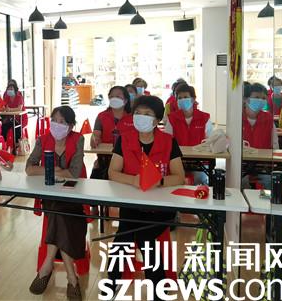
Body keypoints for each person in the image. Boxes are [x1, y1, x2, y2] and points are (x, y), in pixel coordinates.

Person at [106, 95, 185, 296]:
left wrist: (159, 181)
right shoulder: (125, 139)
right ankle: (120, 282)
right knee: (128, 234)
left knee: (135, 234)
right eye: (138, 113)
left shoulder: (168, 141)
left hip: (160, 208)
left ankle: (118, 283)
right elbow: (112, 172)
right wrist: (133, 180)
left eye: (147, 114)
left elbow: (180, 177)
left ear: (157, 120)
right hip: (132, 204)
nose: (141, 117)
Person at [26, 106, 85, 300]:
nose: (57, 125)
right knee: (59, 213)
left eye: (62, 122)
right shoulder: (43, 139)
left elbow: (74, 173)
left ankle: (46, 266)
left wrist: (49, 170)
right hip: (50, 194)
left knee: (59, 212)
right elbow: (29, 168)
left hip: (74, 194)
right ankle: (72, 277)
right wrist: (54, 170)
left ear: (71, 126)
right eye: (54, 120)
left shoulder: (78, 139)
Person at [164, 84, 212, 185]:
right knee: (178, 183)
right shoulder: (172, 118)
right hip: (178, 160)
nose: (182, 100)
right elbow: (167, 140)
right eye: (179, 98)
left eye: (185, 97)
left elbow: (209, 141)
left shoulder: (204, 117)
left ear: (193, 99)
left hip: (200, 161)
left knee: (199, 183)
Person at [90, 86, 134, 180]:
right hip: (104, 159)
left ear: (126, 100)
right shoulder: (102, 116)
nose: (114, 99)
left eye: (118, 96)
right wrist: (94, 139)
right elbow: (96, 134)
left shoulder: (133, 117)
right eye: (111, 96)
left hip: (126, 160)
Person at [242, 83, 278, 189]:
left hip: (262, 165)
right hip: (241, 164)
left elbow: (275, 144)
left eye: (263, 98)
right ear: (245, 99)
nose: (260, 100)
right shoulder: (237, 117)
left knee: (270, 183)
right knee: (239, 183)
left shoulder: (268, 119)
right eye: (257, 97)